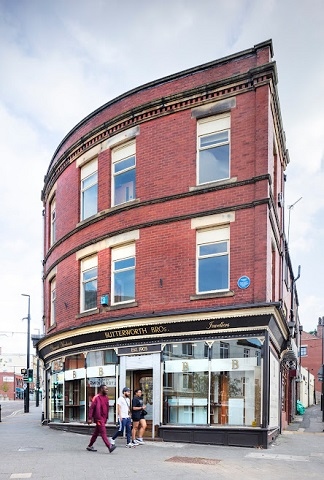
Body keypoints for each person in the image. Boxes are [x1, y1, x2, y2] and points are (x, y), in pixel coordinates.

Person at [86, 384, 116, 453]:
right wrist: (90, 418)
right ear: (101, 389)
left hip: (104, 418)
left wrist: (106, 417)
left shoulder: (106, 397)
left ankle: (90, 446)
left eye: (107, 389)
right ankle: (109, 446)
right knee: (103, 432)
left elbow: (107, 408)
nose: (107, 390)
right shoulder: (96, 397)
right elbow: (91, 408)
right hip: (98, 418)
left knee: (96, 433)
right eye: (106, 389)